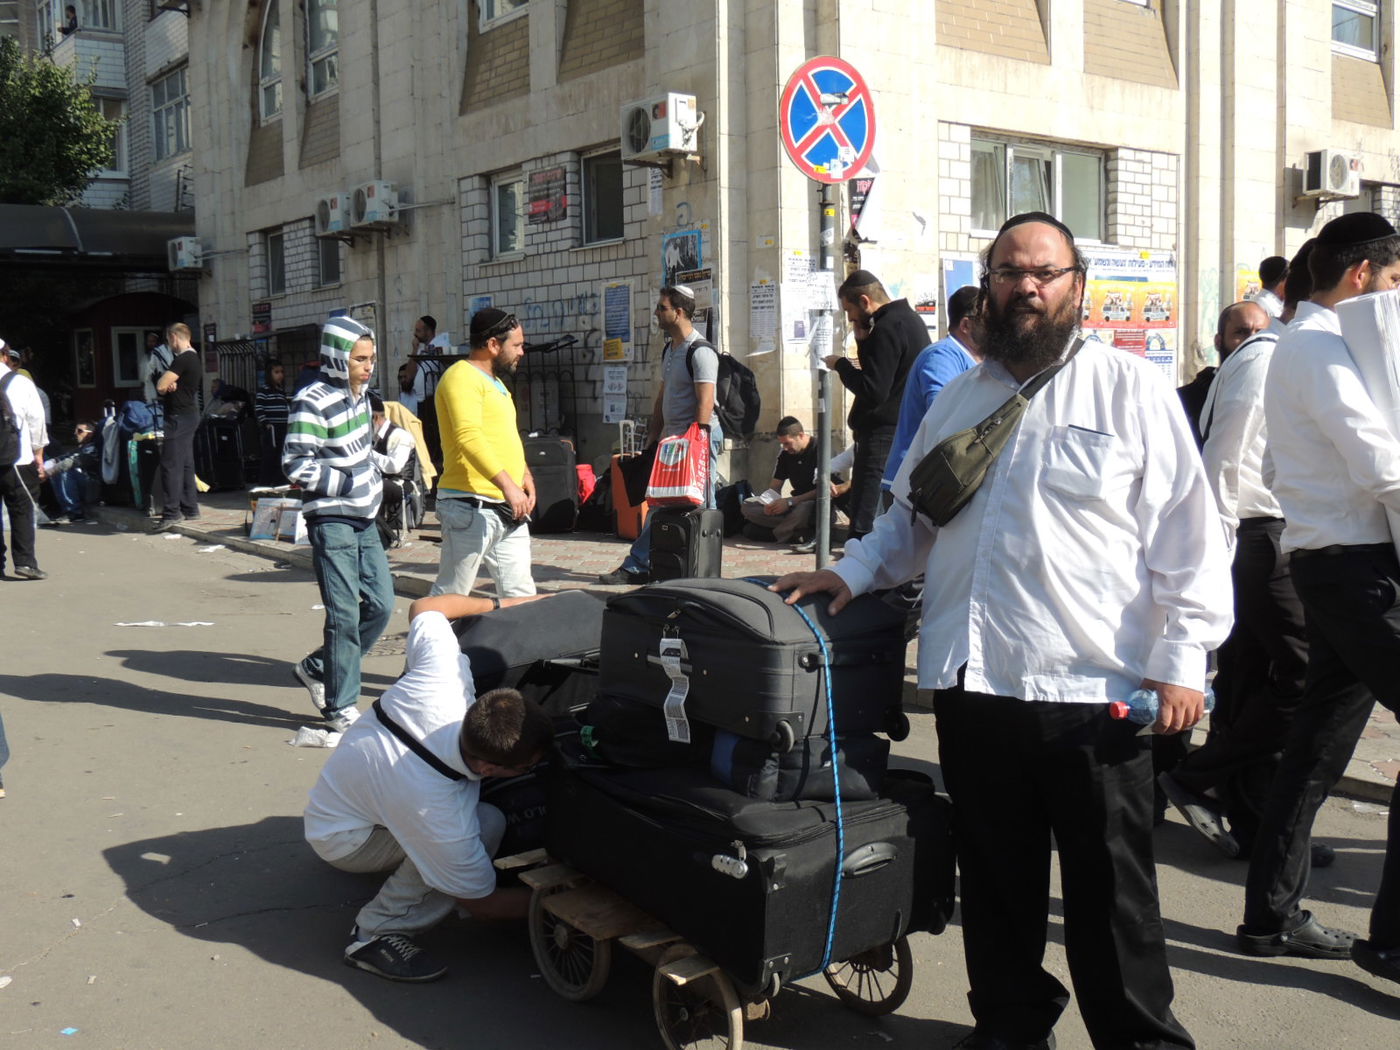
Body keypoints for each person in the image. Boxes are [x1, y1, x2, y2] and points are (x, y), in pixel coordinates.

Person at [774, 212, 1230, 1050]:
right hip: (975, 685)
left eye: (1044, 273)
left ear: (1076, 288)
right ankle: (1012, 1032)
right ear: (987, 286)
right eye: (1010, 271)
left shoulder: (1130, 393)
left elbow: (1190, 539)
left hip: (1095, 694)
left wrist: (1183, 662)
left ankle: (1140, 1042)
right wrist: (848, 571)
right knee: (998, 887)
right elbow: (908, 519)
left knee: (1112, 902)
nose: (1027, 287)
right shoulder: (958, 396)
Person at [1237, 212, 1400, 983]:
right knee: (1311, 747)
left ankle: (1269, 917)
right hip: (1355, 569)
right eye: (1396, 278)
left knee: (1314, 750)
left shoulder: (1303, 343)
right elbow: (1381, 465)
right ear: (1362, 275)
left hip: (1333, 560)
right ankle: (1393, 940)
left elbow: (1283, 468)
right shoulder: (1320, 345)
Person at [304, 591, 553, 983]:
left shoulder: (447, 680)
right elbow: (483, 905)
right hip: (343, 838)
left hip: (347, 794)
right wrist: (562, 904)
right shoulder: (437, 812)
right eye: (526, 767)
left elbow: (426, 607)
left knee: (462, 833)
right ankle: (376, 932)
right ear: (488, 765)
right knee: (486, 822)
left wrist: (509, 602)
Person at [1158, 303, 1313, 865]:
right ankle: (1197, 777)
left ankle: (1261, 824)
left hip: (1270, 534)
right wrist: (1216, 555)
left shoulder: (1290, 357)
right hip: (1255, 537)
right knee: (1306, 674)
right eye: (1240, 330)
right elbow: (1223, 461)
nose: (1249, 336)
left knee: (1252, 679)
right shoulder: (1262, 360)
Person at [284, 317, 395, 734]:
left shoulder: (362, 397)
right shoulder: (311, 400)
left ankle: (316, 668)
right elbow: (295, 463)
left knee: (382, 606)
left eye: (371, 358)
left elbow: (361, 451)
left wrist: (384, 466)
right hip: (331, 518)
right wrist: (346, 482)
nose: (368, 367)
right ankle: (340, 706)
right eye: (359, 359)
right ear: (337, 358)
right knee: (344, 613)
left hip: (365, 517)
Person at [599, 285, 723, 584]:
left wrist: (696, 443)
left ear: (678, 312)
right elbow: (663, 396)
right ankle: (657, 564)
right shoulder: (671, 349)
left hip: (695, 441)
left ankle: (701, 567)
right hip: (672, 442)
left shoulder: (701, 351)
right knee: (660, 501)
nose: (656, 312)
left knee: (702, 502)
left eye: (661, 307)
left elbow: (706, 400)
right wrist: (654, 435)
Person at [431, 308, 537, 599]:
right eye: (516, 345)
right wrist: (508, 485)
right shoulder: (461, 377)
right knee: (451, 594)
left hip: (506, 508)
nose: (522, 352)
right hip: (470, 505)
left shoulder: (497, 384)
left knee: (521, 596)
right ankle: (428, 644)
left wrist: (524, 475)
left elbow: (503, 436)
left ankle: (517, 647)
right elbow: (469, 438)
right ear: (493, 345)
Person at [826, 269, 928, 540]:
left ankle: (858, 575)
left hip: (882, 435)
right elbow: (882, 372)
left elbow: (873, 389)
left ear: (864, 301)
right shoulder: (909, 320)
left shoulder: (887, 326)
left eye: (849, 310)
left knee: (866, 516)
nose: (849, 318)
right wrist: (862, 342)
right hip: (900, 430)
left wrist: (841, 365)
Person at [881, 283, 982, 491]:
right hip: (913, 486)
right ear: (966, 325)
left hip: (937, 483)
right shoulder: (941, 356)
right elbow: (945, 413)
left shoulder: (976, 359)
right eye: (990, 320)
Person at [739, 416, 850, 544]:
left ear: (801, 435)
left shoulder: (821, 450)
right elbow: (775, 486)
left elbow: (825, 489)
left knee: (804, 509)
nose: (785, 448)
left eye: (787, 443)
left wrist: (790, 502)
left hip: (812, 505)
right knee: (748, 504)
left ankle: (777, 534)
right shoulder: (785, 453)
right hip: (791, 506)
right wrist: (769, 503)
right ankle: (793, 532)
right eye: (782, 444)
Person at [1, 341, 49, 580]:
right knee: (21, 509)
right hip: (17, 459)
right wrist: (38, 453)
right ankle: (25, 563)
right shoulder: (21, 383)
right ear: (5, 356)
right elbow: (36, 421)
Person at [151, 323, 203, 532]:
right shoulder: (193, 357)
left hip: (178, 417)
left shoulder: (183, 359)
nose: (168, 344)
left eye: (168, 340)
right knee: (185, 463)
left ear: (174, 337)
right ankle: (190, 508)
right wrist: (169, 384)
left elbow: (161, 385)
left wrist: (166, 384)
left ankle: (172, 512)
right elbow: (167, 385)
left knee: (170, 464)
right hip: (188, 414)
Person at [370, 393, 418, 548]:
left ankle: (384, 537)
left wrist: (368, 453)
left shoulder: (399, 435)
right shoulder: (375, 435)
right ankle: (376, 533)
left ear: (375, 418)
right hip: (381, 480)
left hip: (400, 484)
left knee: (366, 485)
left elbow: (395, 466)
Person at [42, 419, 99, 524]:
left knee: (64, 471)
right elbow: (63, 457)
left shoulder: (92, 448)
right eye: (76, 431)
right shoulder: (81, 448)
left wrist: (47, 473)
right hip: (86, 485)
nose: (75, 433)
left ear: (90, 434)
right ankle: (59, 507)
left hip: (94, 486)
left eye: (80, 431)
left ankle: (74, 512)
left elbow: (71, 462)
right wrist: (48, 464)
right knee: (55, 465)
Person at [399, 315, 450, 417]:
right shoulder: (421, 350)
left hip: (434, 399)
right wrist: (414, 350)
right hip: (421, 400)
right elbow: (409, 375)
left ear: (428, 331)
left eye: (418, 331)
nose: (415, 334)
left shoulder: (441, 344)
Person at [254, 359, 291, 485]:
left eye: (281, 372)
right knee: (270, 457)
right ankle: (265, 483)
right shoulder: (263, 390)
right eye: (276, 372)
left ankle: (278, 482)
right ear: (270, 374)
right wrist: (266, 423)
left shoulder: (281, 391)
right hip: (271, 429)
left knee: (281, 456)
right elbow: (259, 408)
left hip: (283, 428)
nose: (280, 375)